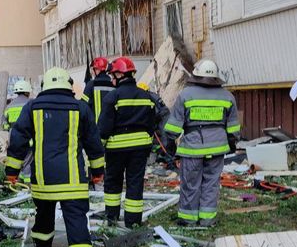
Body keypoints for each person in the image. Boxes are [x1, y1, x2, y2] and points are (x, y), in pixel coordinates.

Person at [5, 67, 105, 247]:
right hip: (74, 180)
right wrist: (97, 171)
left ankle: (42, 245)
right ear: (68, 86)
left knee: (44, 213)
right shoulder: (81, 108)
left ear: (45, 86)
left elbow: (18, 139)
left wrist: (12, 171)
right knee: (76, 218)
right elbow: (93, 144)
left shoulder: (32, 107)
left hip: (44, 178)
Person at [164, 59, 240, 227]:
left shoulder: (186, 95)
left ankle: (188, 219)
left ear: (196, 75)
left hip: (193, 148)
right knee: (211, 183)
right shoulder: (228, 97)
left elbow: (173, 126)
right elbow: (233, 128)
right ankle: (207, 219)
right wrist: (232, 144)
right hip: (218, 147)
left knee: (191, 184)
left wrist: (170, 145)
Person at [97, 57, 157, 228]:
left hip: (116, 149)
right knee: (135, 183)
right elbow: (152, 124)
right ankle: (133, 221)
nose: (111, 79)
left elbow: (104, 127)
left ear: (119, 74)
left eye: (112, 75)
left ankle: (112, 217)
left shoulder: (112, 97)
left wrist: (99, 147)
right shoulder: (147, 96)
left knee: (113, 182)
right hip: (140, 149)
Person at [3, 79, 33, 182]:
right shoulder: (31, 103)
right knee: (28, 161)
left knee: (15, 162)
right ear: (27, 91)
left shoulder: (9, 106)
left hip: (14, 140)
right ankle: (28, 186)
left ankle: (16, 182)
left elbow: (5, 126)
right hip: (29, 139)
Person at [81, 57, 114, 123]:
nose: (92, 72)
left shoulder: (91, 84)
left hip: (96, 127)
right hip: (111, 127)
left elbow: (83, 105)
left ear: (97, 69)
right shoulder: (113, 84)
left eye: (93, 69)